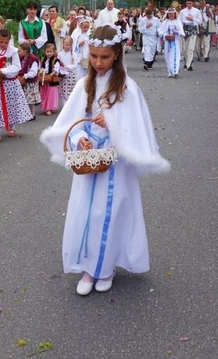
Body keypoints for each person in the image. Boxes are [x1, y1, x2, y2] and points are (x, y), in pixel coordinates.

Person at [40, 25, 170, 296]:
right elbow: (71, 123)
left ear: (117, 55)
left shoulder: (127, 89)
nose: (98, 63)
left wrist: (111, 122)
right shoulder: (83, 84)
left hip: (116, 163)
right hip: (90, 161)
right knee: (87, 212)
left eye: (105, 57)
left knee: (110, 212)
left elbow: (136, 127)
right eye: (94, 57)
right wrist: (79, 139)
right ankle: (90, 266)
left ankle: (106, 266)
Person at [0, 29, 32, 143]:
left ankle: (12, 127)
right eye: (1, 42)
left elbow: (16, 67)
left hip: (9, 83)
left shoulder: (13, 52)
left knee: (12, 105)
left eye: (6, 42)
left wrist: (2, 71)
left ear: (9, 41)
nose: (3, 44)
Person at [158, 8, 184, 78]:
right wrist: (165, 35)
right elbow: (160, 31)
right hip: (167, 41)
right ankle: (170, 71)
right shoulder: (165, 22)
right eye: (169, 14)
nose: (171, 15)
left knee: (175, 56)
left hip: (175, 42)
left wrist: (177, 32)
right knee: (167, 56)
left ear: (174, 14)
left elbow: (182, 32)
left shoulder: (178, 22)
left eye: (172, 14)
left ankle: (175, 72)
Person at [18, 42, 41, 117]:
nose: (18, 52)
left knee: (31, 99)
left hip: (31, 82)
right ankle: (26, 113)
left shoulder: (33, 59)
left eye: (19, 51)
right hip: (24, 81)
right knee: (24, 98)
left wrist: (26, 75)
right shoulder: (21, 58)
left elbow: (34, 72)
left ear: (25, 51)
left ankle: (32, 114)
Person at [39, 42, 60, 116]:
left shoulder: (55, 60)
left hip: (52, 79)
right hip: (44, 79)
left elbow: (56, 69)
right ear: (44, 51)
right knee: (44, 94)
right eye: (47, 51)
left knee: (51, 94)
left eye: (51, 51)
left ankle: (49, 108)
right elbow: (40, 67)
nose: (49, 53)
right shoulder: (42, 59)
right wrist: (41, 70)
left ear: (53, 52)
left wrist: (51, 75)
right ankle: (45, 107)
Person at [58, 36, 78, 105]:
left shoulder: (74, 54)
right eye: (66, 44)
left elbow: (75, 65)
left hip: (70, 76)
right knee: (63, 91)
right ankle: (64, 106)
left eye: (70, 45)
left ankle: (70, 105)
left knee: (70, 91)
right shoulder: (60, 54)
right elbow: (57, 63)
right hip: (63, 76)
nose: (68, 46)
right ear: (63, 44)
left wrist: (67, 67)